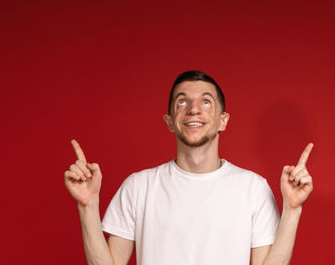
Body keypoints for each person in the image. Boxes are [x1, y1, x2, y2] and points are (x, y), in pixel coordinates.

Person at [64, 70, 314, 265]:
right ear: (170, 121)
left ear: (223, 120)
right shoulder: (139, 186)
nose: (194, 109)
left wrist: (292, 210)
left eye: (206, 102)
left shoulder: (253, 188)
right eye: (182, 102)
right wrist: (88, 206)